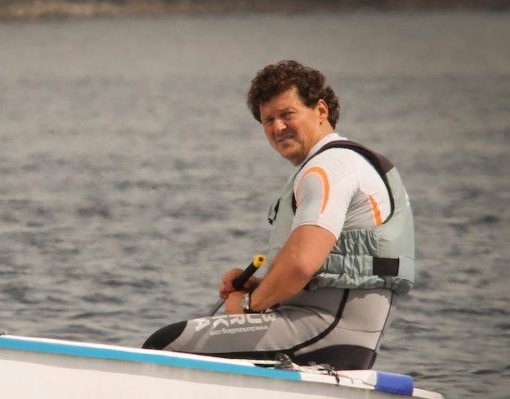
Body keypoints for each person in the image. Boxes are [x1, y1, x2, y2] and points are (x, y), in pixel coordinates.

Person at [142, 60, 415, 371]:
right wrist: (262, 286)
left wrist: (248, 305)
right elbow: (319, 271)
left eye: (287, 114)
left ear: (321, 110)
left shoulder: (328, 168)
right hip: (334, 332)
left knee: (167, 344)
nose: (277, 128)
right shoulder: (346, 163)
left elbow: (301, 264)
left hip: (324, 331)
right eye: (268, 120)